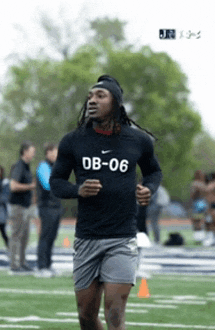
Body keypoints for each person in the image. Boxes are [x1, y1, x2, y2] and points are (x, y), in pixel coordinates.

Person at [50, 75, 162, 330]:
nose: (92, 100)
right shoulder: (73, 140)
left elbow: (154, 172)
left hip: (122, 237)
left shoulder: (138, 140)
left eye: (100, 96)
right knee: (86, 317)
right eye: (90, 96)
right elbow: (56, 182)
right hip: (87, 236)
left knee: (114, 312)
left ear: (116, 103)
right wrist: (79, 190)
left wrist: (149, 188)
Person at [9, 141, 36, 274]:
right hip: (18, 207)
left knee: (25, 236)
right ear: (25, 151)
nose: (34, 154)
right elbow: (13, 186)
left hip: (25, 207)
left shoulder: (26, 166)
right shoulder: (19, 165)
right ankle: (14, 264)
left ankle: (22, 262)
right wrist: (31, 186)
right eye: (32, 151)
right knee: (16, 235)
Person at [35, 143, 62, 278]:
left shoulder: (55, 166)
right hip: (46, 207)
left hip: (56, 206)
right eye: (54, 153)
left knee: (52, 236)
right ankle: (41, 266)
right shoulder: (43, 166)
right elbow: (47, 184)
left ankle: (48, 264)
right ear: (48, 153)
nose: (56, 155)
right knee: (45, 236)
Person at [190, 170, 208, 244]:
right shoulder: (204, 184)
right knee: (203, 220)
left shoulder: (195, 184)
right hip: (204, 202)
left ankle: (198, 237)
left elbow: (192, 195)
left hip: (198, 202)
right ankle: (202, 236)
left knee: (196, 221)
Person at [0, 165, 10, 250]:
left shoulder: (5, 181)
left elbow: (5, 196)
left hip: (0, 210)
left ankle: (9, 246)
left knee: (2, 230)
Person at [204, 172, 215, 246]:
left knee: (211, 222)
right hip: (211, 205)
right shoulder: (210, 186)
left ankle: (211, 237)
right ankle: (211, 237)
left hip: (212, 205)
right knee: (209, 222)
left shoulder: (211, 185)